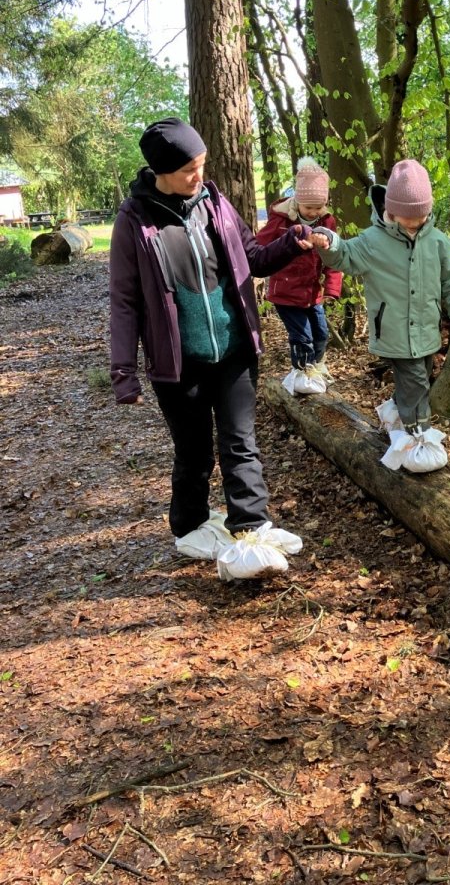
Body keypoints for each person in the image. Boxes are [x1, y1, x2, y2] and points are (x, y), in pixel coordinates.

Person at [109, 116, 320, 573]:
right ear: (161, 173)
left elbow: (255, 259)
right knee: (195, 452)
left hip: (235, 350)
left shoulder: (215, 203)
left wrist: (292, 241)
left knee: (241, 443)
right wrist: (123, 370)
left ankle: (252, 525)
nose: (198, 176)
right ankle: (190, 526)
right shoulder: (134, 219)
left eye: (201, 165)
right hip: (178, 361)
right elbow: (124, 301)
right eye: (189, 170)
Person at [313, 158, 450, 472]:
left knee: (420, 377)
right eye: (408, 217)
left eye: (421, 216)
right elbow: (345, 255)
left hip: (426, 331)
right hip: (393, 330)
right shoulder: (373, 242)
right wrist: (329, 242)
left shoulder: (438, 242)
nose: (415, 223)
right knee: (415, 383)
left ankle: (394, 412)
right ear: (391, 209)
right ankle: (417, 438)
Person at [256, 156, 342, 389]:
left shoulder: (327, 221)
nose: (314, 212)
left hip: (312, 291)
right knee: (302, 337)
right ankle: (302, 374)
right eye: (309, 208)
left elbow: (335, 256)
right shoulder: (281, 221)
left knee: (321, 333)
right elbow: (259, 248)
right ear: (297, 201)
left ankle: (316, 366)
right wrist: (287, 245)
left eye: (319, 207)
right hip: (285, 291)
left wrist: (332, 288)